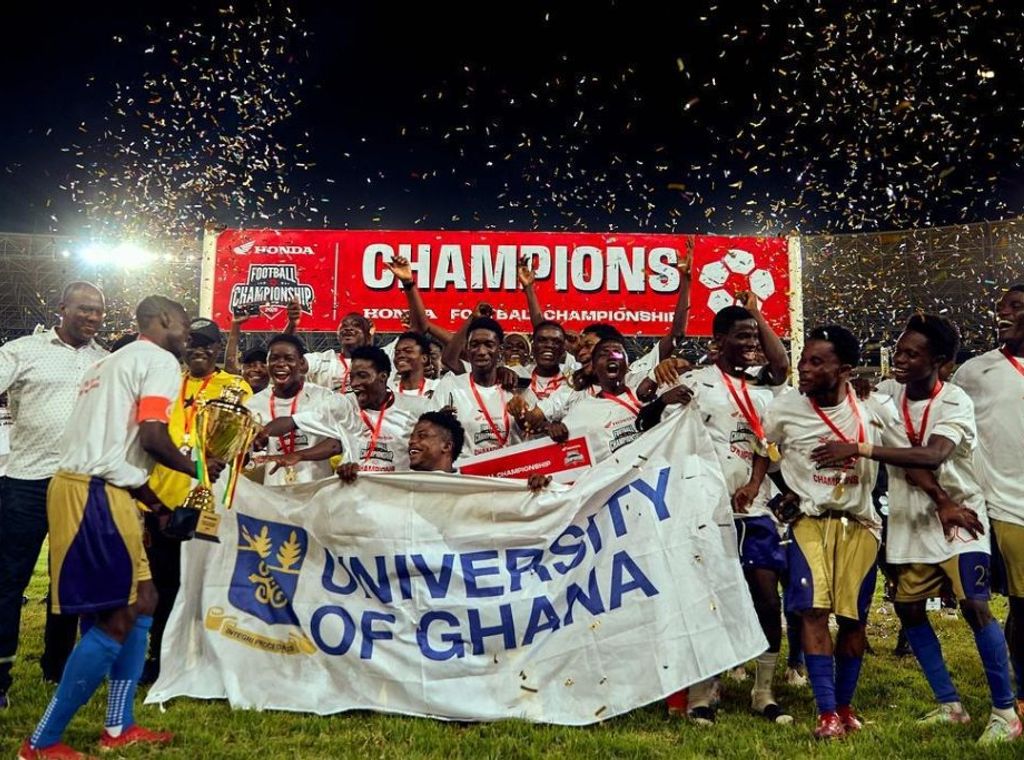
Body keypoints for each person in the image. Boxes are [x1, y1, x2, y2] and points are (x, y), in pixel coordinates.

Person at [19, 295, 225, 758]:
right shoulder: (157, 359)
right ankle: (42, 741)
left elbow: (118, 445)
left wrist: (155, 504)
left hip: (107, 490)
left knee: (145, 599)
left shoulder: (112, 362)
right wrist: (200, 467)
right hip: (92, 492)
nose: (188, 335)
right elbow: (152, 437)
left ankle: (118, 725)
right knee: (115, 616)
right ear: (165, 320)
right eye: (184, 324)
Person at [813, 313, 1019, 743]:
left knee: (976, 607)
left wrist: (860, 447)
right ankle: (950, 705)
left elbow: (931, 455)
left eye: (911, 353)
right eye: (899, 350)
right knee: (908, 611)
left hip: (963, 518)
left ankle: (1005, 712)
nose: (900, 360)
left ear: (940, 361)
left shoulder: (955, 401)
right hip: (910, 522)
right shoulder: (885, 395)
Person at [659, 295, 792, 725]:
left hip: (756, 509)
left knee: (767, 597)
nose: (752, 343)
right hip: (707, 510)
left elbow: (781, 374)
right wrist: (662, 394)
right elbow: (663, 435)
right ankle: (702, 692)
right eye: (743, 336)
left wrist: (756, 313)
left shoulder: (765, 387)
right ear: (718, 343)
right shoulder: (697, 383)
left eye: (755, 336)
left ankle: (763, 689)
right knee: (709, 598)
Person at [753, 325, 884, 740]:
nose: (804, 369)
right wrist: (772, 488)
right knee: (812, 611)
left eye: (815, 362)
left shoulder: (871, 405)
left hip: (861, 524)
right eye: (803, 360)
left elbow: (904, 449)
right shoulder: (785, 407)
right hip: (809, 521)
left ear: (844, 369)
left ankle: (845, 705)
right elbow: (763, 447)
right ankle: (826, 712)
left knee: (853, 621)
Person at [0, 282, 108, 709]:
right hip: (25, 483)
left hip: (79, 485)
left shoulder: (106, 362)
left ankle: (57, 668)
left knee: (70, 586)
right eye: (84, 309)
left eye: (99, 311)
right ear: (61, 308)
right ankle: (0, 677)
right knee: (9, 582)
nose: (93, 317)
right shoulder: (23, 350)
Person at [141, 318, 251, 684]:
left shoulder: (234, 388)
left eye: (206, 344)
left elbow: (238, 443)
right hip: (164, 500)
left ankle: (206, 658)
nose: (198, 350)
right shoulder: (167, 383)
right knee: (164, 584)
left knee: (208, 583)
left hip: (209, 504)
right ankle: (159, 658)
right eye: (192, 343)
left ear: (218, 349)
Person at [952, 283, 1024, 717]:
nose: (1003, 312)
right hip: (1009, 503)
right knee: (1023, 603)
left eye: (1015, 306)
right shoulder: (976, 371)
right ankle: (1020, 691)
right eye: (1000, 306)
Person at [258, 346, 418, 474]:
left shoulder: (414, 408)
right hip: (354, 499)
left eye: (362, 376)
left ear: (383, 377)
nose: (354, 383)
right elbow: (293, 422)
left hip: (396, 499)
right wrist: (260, 435)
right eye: (352, 377)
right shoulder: (343, 404)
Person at [244, 335, 337, 485]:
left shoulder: (323, 397)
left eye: (289, 358)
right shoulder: (253, 405)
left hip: (317, 491)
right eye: (274, 358)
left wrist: (299, 455)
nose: (281, 364)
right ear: (267, 364)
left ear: (301, 363)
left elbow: (336, 444)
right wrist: (252, 444)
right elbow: (243, 456)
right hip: (275, 491)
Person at [435, 317, 522, 458]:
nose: (481, 351)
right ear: (467, 350)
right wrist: (439, 423)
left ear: (500, 350)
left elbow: (537, 427)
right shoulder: (450, 386)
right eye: (474, 344)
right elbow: (429, 430)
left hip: (510, 475)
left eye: (489, 344)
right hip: (467, 476)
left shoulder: (516, 386)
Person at [303, 312, 375, 391]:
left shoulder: (378, 364)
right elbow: (295, 364)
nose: (348, 328)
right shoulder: (323, 359)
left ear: (368, 336)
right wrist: (292, 325)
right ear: (338, 335)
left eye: (356, 325)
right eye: (344, 325)